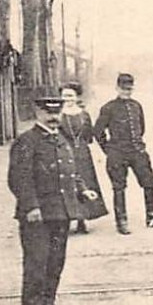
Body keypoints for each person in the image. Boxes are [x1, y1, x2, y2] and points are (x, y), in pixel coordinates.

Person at [8, 88, 96, 305]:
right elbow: (19, 178)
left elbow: (71, 171)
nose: (53, 117)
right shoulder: (27, 141)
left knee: (56, 261)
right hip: (37, 215)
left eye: (56, 112)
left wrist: (82, 189)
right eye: (48, 112)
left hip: (61, 211)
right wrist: (31, 207)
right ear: (37, 111)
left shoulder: (60, 139)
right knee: (37, 262)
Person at [94, 72, 153, 234]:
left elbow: (141, 128)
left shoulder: (136, 106)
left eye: (129, 89)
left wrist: (138, 145)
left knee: (149, 182)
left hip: (137, 151)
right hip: (117, 153)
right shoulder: (108, 108)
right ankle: (121, 221)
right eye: (123, 89)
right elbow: (98, 132)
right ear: (117, 88)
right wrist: (109, 150)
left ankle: (152, 216)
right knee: (119, 187)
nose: (126, 92)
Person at [58, 83, 106, 234]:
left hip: (83, 154)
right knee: (65, 184)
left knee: (85, 183)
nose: (68, 99)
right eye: (65, 96)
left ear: (77, 96)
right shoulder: (58, 114)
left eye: (71, 95)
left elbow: (88, 136)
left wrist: (81, 145)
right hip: (64, 153)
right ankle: (65, 220)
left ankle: (82, 219)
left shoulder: (84, 114)